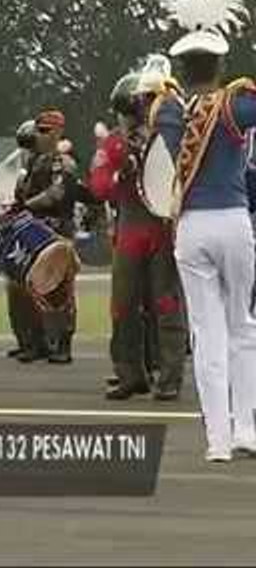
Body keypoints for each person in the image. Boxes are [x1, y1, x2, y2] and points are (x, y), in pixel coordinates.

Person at [154, 0, 256, 462]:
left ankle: (217, 440)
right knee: (243, 327)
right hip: (234, 220)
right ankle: (247, 430)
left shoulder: (167, 112)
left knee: (207, 333)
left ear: (183, 65)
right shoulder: (236, 102)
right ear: (219, 64)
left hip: (191, 227)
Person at [89, 71, 187, 401]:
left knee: (166, 302)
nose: (133, 119)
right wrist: (122, 170)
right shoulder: (113, 143)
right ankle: (130, 374)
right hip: (130, 227)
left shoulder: (169, 137)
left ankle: (170, 377)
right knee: (122, 305)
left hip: (161, 226)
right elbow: (99, 187)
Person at [13, 109, 80, 364]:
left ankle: (63, 343)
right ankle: (36, 342)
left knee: (61, 290)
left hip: (58, 231)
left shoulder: (64, 163)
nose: (39, 136)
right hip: (36, 232)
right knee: (31, 289)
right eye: (38, 131)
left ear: (57, 132)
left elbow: (57, 193)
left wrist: (27, 205)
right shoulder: (32, 164)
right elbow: (22, 193)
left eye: (44, 131)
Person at [6, 119, 46, 361]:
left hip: (41, 235)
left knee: (34, 293)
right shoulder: (23, 175)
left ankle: (39, 342)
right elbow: (18, 205)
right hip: (23, 235)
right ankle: (24, 340)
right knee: (15, 291)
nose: (26, 151)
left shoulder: (48, 168)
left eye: (30, 145)